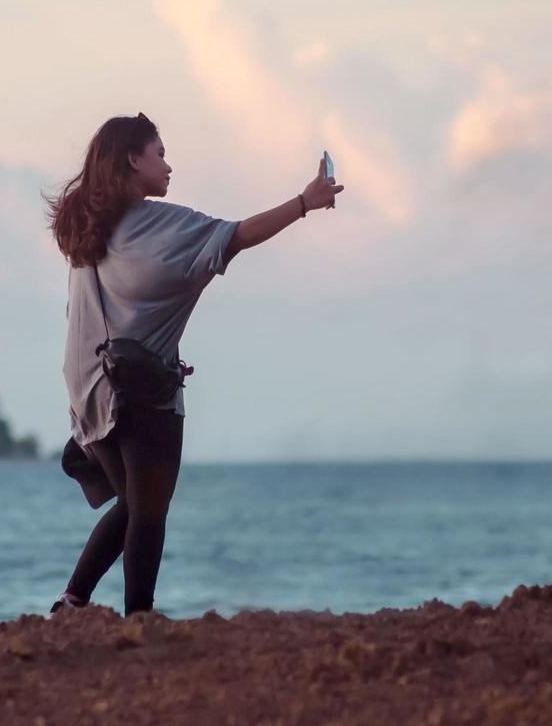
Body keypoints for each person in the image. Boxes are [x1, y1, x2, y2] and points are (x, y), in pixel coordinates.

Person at [43, 112, 344, 616]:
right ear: (132, 160)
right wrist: (303, 203)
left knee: (134, 505)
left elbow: (109, 314)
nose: (168, 164)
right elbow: (236, 237)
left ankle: (71, 602)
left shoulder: (89, 233)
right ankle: (138, 617)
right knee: (149, 511)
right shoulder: (156, 223)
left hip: (90, 391)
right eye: (158, 153)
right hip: (137, 392)